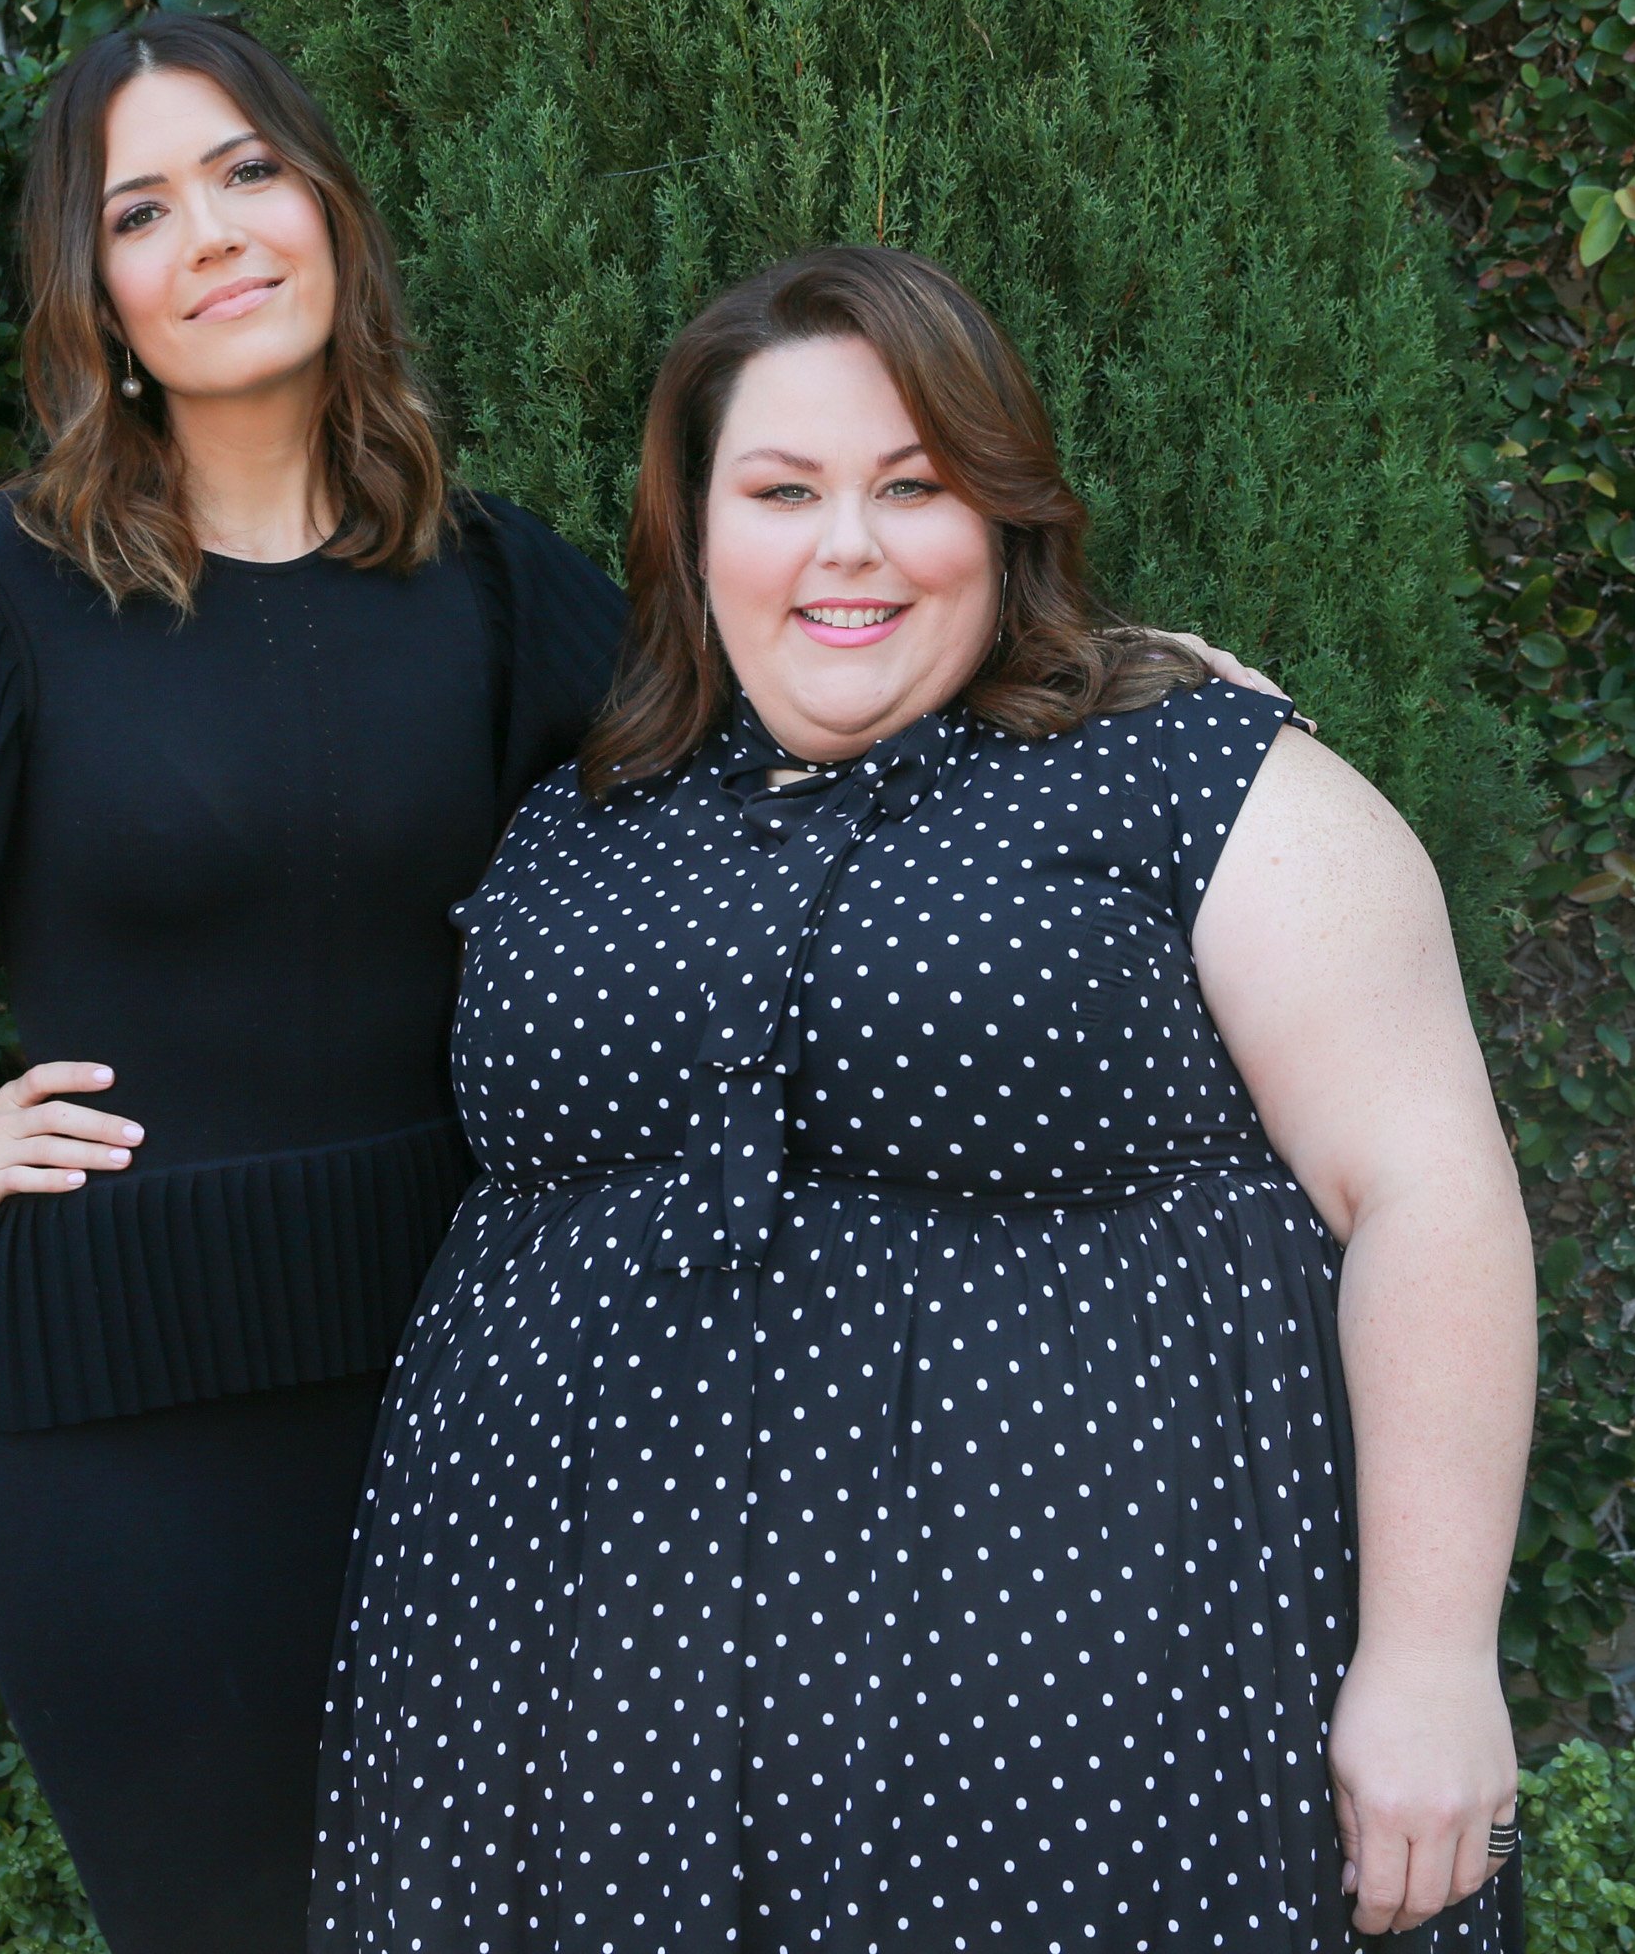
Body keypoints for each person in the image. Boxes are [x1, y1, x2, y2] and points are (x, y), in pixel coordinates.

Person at [0, 12, 1280, 1954]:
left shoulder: (486, 583)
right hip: (130, 1416)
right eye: (140, 210)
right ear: (97, 297)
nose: (208, 232)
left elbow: (810, 681)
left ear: (329, 215)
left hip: (466, 1388)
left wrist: (1125, 672)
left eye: (246, 174)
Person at [311, 246, 1537, 1952]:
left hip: (1099, 1756)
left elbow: (1428, 1194)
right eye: (783, 489)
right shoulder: (581, 814)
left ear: (1007, 512)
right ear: (691, 525)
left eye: (915, 486)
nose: (848, 546)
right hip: (567, 1756)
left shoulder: (1197, 777)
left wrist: (1429, 1664)